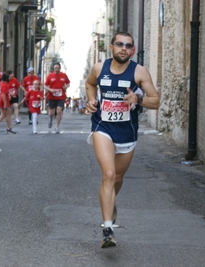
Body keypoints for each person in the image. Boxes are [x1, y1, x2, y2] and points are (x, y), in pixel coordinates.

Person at [85, 32, 160, 248]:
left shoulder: (139, 72)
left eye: (128, 46)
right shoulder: (99, 68)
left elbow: (155, 102)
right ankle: (108, 229)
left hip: (127, 132)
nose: (123, 48)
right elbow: (90, 84)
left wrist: (138, 98)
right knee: (108, 174)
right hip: (103, 126)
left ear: (133, 50)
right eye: (119, 44)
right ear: (111, 47)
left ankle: (111, 202)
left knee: (117, 178)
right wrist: (91, 101)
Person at [44, 62, 70, 134]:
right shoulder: (50, 76)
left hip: (61, 96)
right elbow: (45, 85)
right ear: (53, 68)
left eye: (58, 68)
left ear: (60, 68)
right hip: (52, 96)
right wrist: (50, 90)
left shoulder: (64, 75)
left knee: (59, 111)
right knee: (51, 112)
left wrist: (66, 86)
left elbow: (68, 83)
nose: (56, 69)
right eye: (55, 68)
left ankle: (57, 127)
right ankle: (50, 119)